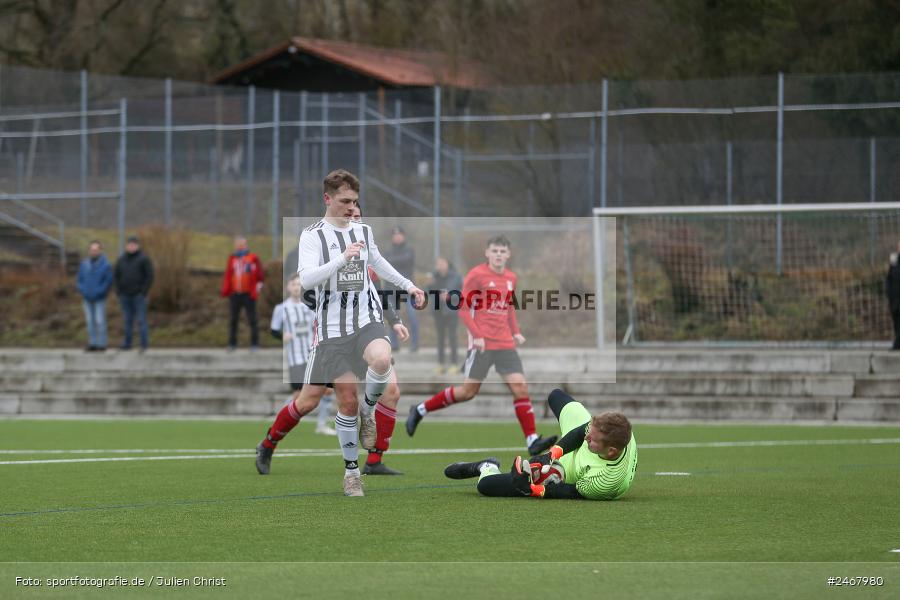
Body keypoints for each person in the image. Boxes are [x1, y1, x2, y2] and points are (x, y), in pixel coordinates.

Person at [255, 169, 424, 496]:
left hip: (366, 320)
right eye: (345, 201)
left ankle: (369, 417)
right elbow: (306, 279)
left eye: (355, 201)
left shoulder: (363, 230)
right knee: (322, 401)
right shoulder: (312, 236)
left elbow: (378, 263)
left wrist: (408, 285)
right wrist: (341, 259)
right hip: (331, 330)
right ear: (327, 199)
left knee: (382, 362)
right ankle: (282, 447)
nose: (351, 208)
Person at [406, 235, 557, 456]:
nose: (498, 255)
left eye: (502, 251)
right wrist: (477, 336)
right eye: (494, 251)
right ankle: (420, 409)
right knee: (468, 392)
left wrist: (515, 332)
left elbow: (509, 307)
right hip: (482, 344)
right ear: (487, 253)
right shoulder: (476, 275)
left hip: (504, 343)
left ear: (508, 254)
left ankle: (532, 440)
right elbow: (463, 309)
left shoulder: (511, 278)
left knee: (520, 387)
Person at [444, 389, 638, 501]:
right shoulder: (609, 429)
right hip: (581, 442)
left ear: (611, 451)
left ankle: (486, 466)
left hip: (571, 471)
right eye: (591, 432)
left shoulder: (605, 482)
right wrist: (550, 455)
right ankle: (544, 452)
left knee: (486, 486)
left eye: (593, 439)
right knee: (555, 396)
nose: (588, 438)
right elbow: (581, 433)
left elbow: (572, 492)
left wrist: (532, 489)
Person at [270, 273, 336, 436]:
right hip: (296, 358)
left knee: (328, 390)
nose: (296, 287)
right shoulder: (281, 308)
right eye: (294, 284)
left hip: (313, 355)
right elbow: (274, 330)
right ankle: (279, 421)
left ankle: (321, 425)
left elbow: (320, 324)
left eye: (299, 284)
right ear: (288, 287)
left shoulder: (310, 306)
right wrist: (282, 335)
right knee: (298, 396)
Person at [221, 236, 264, 351]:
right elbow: (228, 275)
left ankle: (255, 344)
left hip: (248, 294)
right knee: (233, 319)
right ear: (235, 245)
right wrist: (227, 289)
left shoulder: (253, 258)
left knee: (252, 319)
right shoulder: (232, 259)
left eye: (242, 244)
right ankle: (232, 344)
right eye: (238, 244)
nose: (240, 246)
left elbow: (259, 275)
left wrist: (257, 288)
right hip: (235, 294)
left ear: (246, 245)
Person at [381, 225, 419, 352]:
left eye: (399, 235)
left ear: (403, 236)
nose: (397, 237)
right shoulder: (388, 252)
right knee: (393, 317)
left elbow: (406, 261)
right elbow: (386, 266)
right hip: (391, 289)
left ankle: (414, 344)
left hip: (407, 289)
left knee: (412, 316)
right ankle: (394, 344)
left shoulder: (410, 250)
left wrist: (393, 263)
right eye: (395, 235)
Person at [114, 236, 154, 352]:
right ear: (127, 246)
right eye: (130, 245)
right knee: (127, 321)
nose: (131, 247)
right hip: (125, 295)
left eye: (133, 245)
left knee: (141, 320)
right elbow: (116, 276)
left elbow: (150, 276)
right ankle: (127, 343)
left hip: (138, 296)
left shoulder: (144, 259)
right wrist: (118, 291)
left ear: (137, 246)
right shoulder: (121, 260)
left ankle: (143, 344)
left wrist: (144, 291)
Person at [76, 240, 113, 352]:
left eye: (96, 250)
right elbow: (79, 280)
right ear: (89, 250)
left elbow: (108, 281)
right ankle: (93, 343)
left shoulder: (106, 265)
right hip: (87, 298)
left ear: (100, 251)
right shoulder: (84, 264)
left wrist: (100, 291)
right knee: (90, 322)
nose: (94, 252)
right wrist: (83, 290)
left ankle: (102, 344)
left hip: (99, 298)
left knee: (100, 321)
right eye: (92, 249)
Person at [427, 257, 463, 373]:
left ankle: (454, 364)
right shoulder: (434, 277)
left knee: (452, 337)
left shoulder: (456, 277)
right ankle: (441, 364)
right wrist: (429, 285)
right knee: (440, 338)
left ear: (448, 264)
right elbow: (428, 293)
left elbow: (462, 293)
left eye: (442, 263)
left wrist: (450, 296)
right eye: (438, 264)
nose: (440, 266)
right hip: (438, 311)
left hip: (451, 311)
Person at [886, 241, 900, 350]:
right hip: (895, 298)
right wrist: (888, 292)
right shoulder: (894, 261)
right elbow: (889, 278)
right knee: (896, 321)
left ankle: (897, 343)